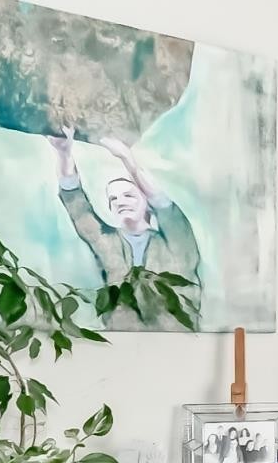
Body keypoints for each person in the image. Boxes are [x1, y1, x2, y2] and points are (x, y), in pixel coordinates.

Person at [47, 130, 204, 325]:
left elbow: (163, 204)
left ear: (146, 202)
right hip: (122, 343)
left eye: (128, 195)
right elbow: (78, 208)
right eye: (114, 199)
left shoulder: (176, 242)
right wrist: (64, 154)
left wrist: (127, 158)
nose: (121, 202)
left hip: (178, 342)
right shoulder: (108, 242)